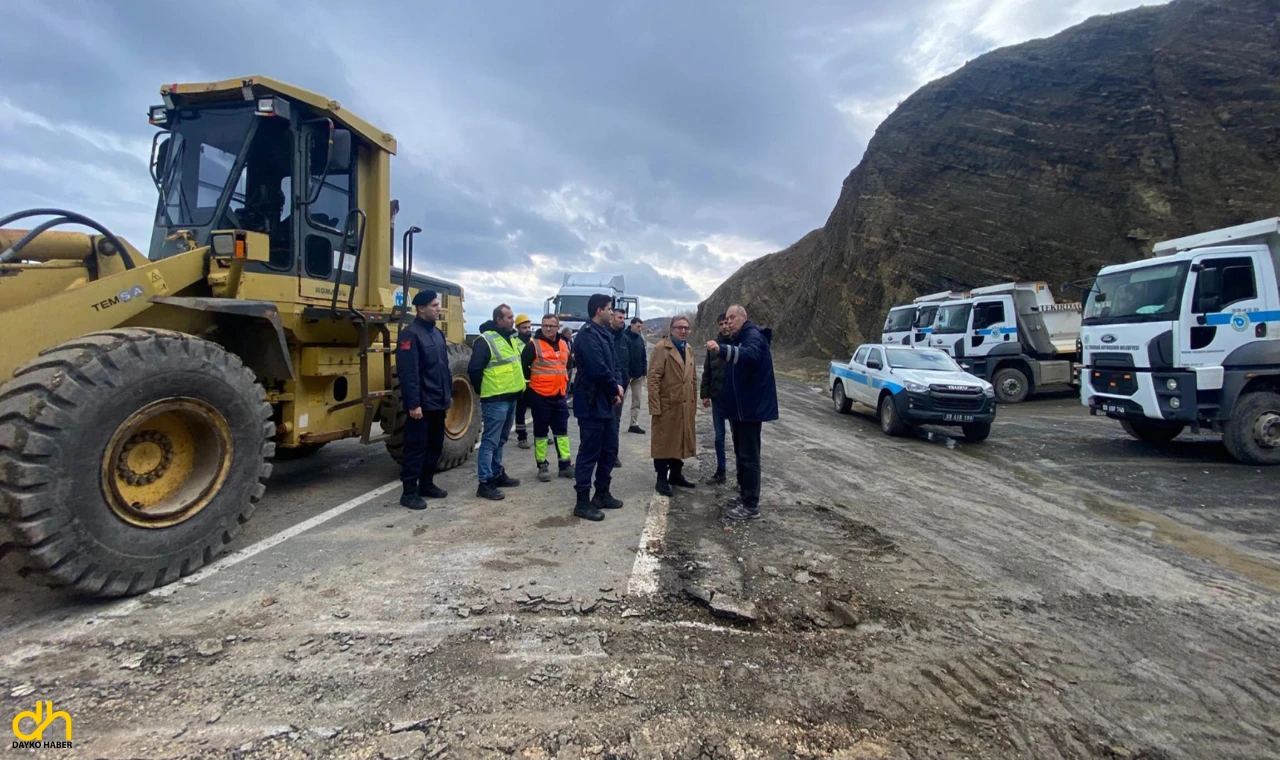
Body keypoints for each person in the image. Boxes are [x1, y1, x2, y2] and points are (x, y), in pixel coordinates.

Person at [705, 305, 777, 521]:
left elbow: (750, 356)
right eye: (726, 318)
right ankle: (745, 496)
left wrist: (722, 350)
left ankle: (751, 504)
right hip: (740, 409)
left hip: (750, 410)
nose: (728, 321)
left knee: (749, 456)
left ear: (744, 317)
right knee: (741, 454)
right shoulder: (739, 338)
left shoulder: (752, 336)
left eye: (732, 317)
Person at [394, 290, 452, 509]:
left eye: (438, 304)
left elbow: (443, 369)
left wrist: (448, 396)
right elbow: (408, 373)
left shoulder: (437, 334)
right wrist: (414, 404)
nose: (439, 308)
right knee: (416, 448)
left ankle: (426, 484)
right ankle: (409, 493)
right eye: (434, 305)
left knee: (435, 447)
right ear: (420, 309)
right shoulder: (410, 334)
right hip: (422, 405)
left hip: (438, 402)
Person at [571, 294, 626, 521]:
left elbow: (615, 365)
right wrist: (614, 389)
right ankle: (582, 503)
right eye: (609, 309)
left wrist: (618, 388)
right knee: (589, 453)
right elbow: (598, 369)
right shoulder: (586, 336)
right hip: (591, 402)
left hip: (607, 403)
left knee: (609, 450)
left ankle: (602, 493)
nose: (612, 312)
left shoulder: (604, 334)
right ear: (598, 310)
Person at [468, 304, 526, 500]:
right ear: (498, 320)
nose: (512, 320)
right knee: (490, 442)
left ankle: (497, 473)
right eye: (509, 317)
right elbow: (474, 369)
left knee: (501, 440)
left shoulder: (511, 338)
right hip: (495, 399)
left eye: (512, 316)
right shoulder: (485, 340)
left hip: (510, 397)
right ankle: (485, 482)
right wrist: (481, 390)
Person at [648, 316, 698, 496]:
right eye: (679, 327)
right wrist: (655, 406)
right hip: (667, 404)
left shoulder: (688, 349)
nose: (683, 331)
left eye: (686, 328)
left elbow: (693, 378)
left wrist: (693, 402)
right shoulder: (662, 348)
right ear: (671, 329)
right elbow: (653, 379)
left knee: (680, 440)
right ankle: (661, 479)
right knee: (664, 442)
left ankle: (676, 474)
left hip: (684, 404)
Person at [522, 314, 575, 482]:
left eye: (551, 325)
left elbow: (567, 365)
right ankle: (542, 465)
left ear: (558, 327)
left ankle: (565, 465)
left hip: (559, 396)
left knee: (562, 433)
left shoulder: (563, 344)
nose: (548, 328)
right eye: (545, 325)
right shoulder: (533, 345)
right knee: (541, 434)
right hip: (540, 396)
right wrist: (531, 391)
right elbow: (524, 368)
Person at [699, 313, 731, 484]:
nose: (724, 326)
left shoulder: (737, 344)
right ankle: (721, 471)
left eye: (726, 323)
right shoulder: (712, 347)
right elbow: (707, 371)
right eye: (721, 324)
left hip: (734, 400)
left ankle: (742, 476)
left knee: (738, 439)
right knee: (719, 437)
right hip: (717, 397)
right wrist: (705, 394)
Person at [609, 307, 630, 468]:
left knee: (615, 422)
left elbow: (628, 363)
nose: (623, 321)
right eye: (619, 317)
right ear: (611, 318)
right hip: (604, 387)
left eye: (624, 318)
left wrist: (625, 382)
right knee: (601, 423)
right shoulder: (603, 337)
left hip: (620, 388)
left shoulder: (625, 340)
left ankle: (612, 455)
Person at [513, 314, 534, 450]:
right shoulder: (514, 343)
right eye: (524, 327)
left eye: (528, 327)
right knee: (520, 411)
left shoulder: (533, 342)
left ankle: (541, 434)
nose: (527, 330)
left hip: (534, 381)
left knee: (538, 410)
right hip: (521, 382)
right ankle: (522, 437)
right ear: (518, 328)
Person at [625, 317, 648, 434]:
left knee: (637, 400)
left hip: (638, 375)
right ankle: (614, 422)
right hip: (626, 375)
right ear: (632, 325)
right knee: (619, 399)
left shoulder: (640, 339)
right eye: (638, 326)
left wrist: (644, 372)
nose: (640, 329)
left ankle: (633, 424)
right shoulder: (623, 337)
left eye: (641, 327)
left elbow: (643, 356)